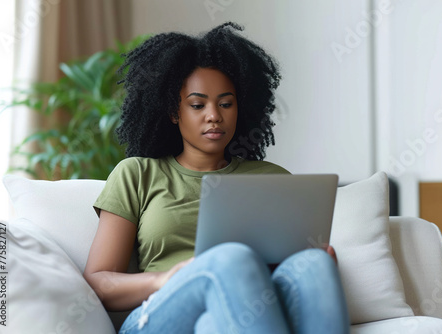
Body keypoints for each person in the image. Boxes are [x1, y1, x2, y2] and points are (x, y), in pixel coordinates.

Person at [83, 22, 350, 334]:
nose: (214, 115)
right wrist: (167, 277)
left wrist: (312, 258)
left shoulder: (273, 180)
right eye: (198, 105)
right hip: (161, 313)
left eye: (226, 103)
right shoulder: (138, 173)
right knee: (229, 258)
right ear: (174, 111)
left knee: (314, 266)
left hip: (248, 311)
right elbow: (100, 281)